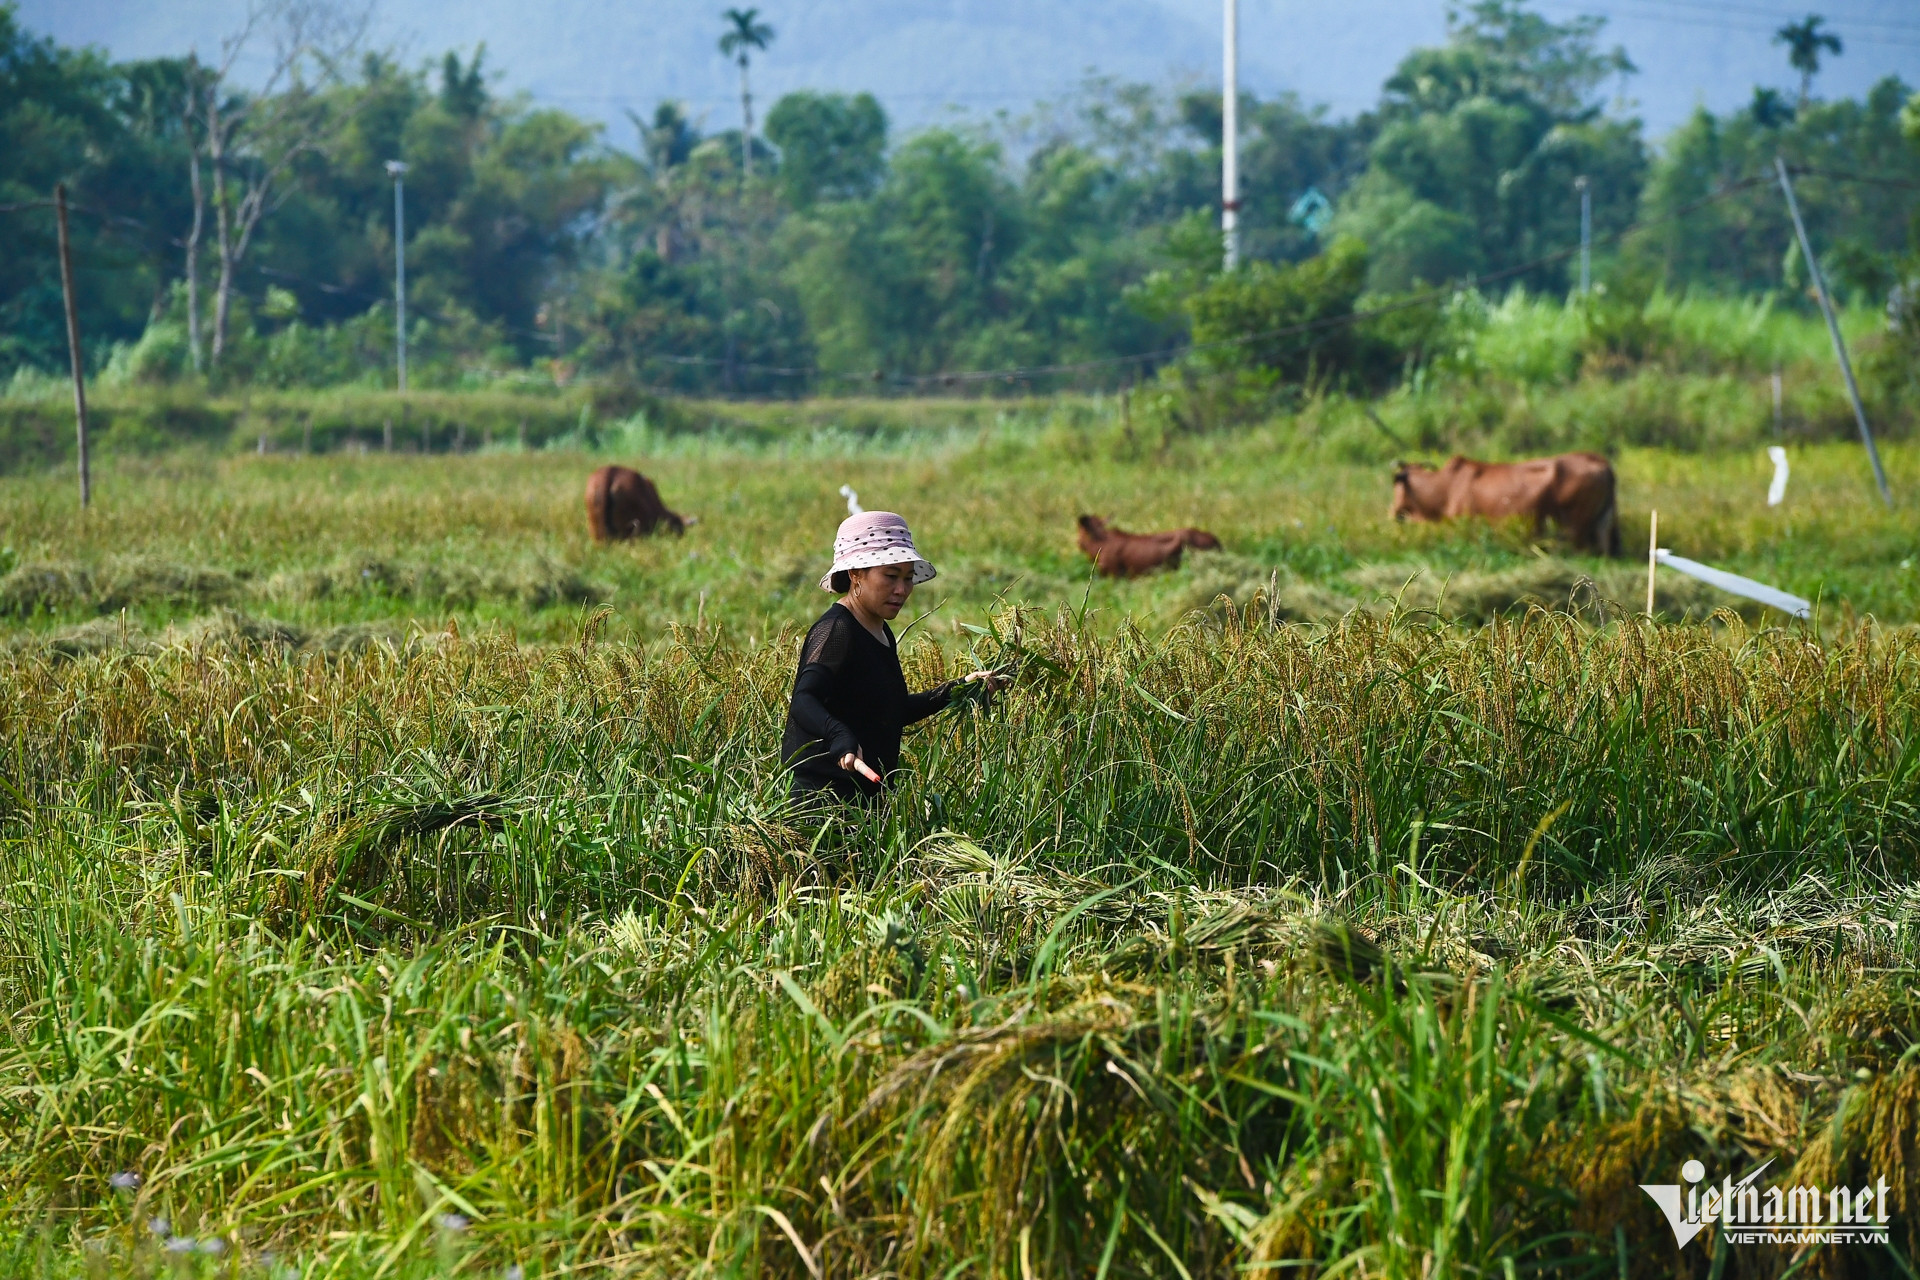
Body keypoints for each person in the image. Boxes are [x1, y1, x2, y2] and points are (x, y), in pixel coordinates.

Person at [782, 510, 1004, 803]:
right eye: (890, 576)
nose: (901, 590)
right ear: (855, 575)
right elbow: (804, 700)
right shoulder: (837, 630)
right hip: (824, 803)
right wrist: (839, 735)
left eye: (908, 578)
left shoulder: (880, 631)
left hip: (867, 804)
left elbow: (889, 710)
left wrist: (959, 689)